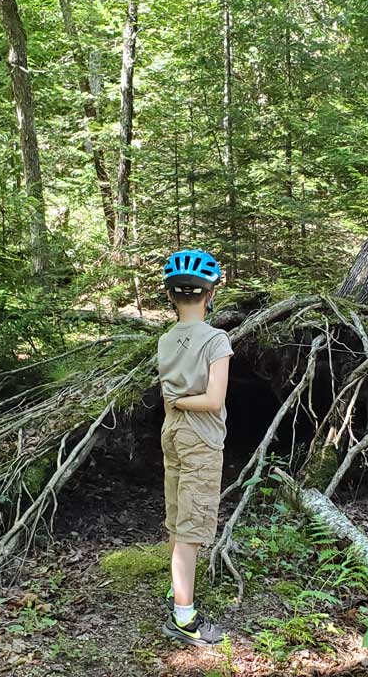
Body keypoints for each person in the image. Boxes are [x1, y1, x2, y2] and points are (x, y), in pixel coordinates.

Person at [157, 249, 231, 646]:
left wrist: (177, 400)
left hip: (172, 434)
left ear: (171, 297)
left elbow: (168, 393)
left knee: (175, 516)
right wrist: (187, 399)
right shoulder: (216, 340)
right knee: (192, 526)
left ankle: (176, 588)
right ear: (209, 295)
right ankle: (184, 617)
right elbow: (214, 400)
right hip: (201, 437)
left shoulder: (165, 339)